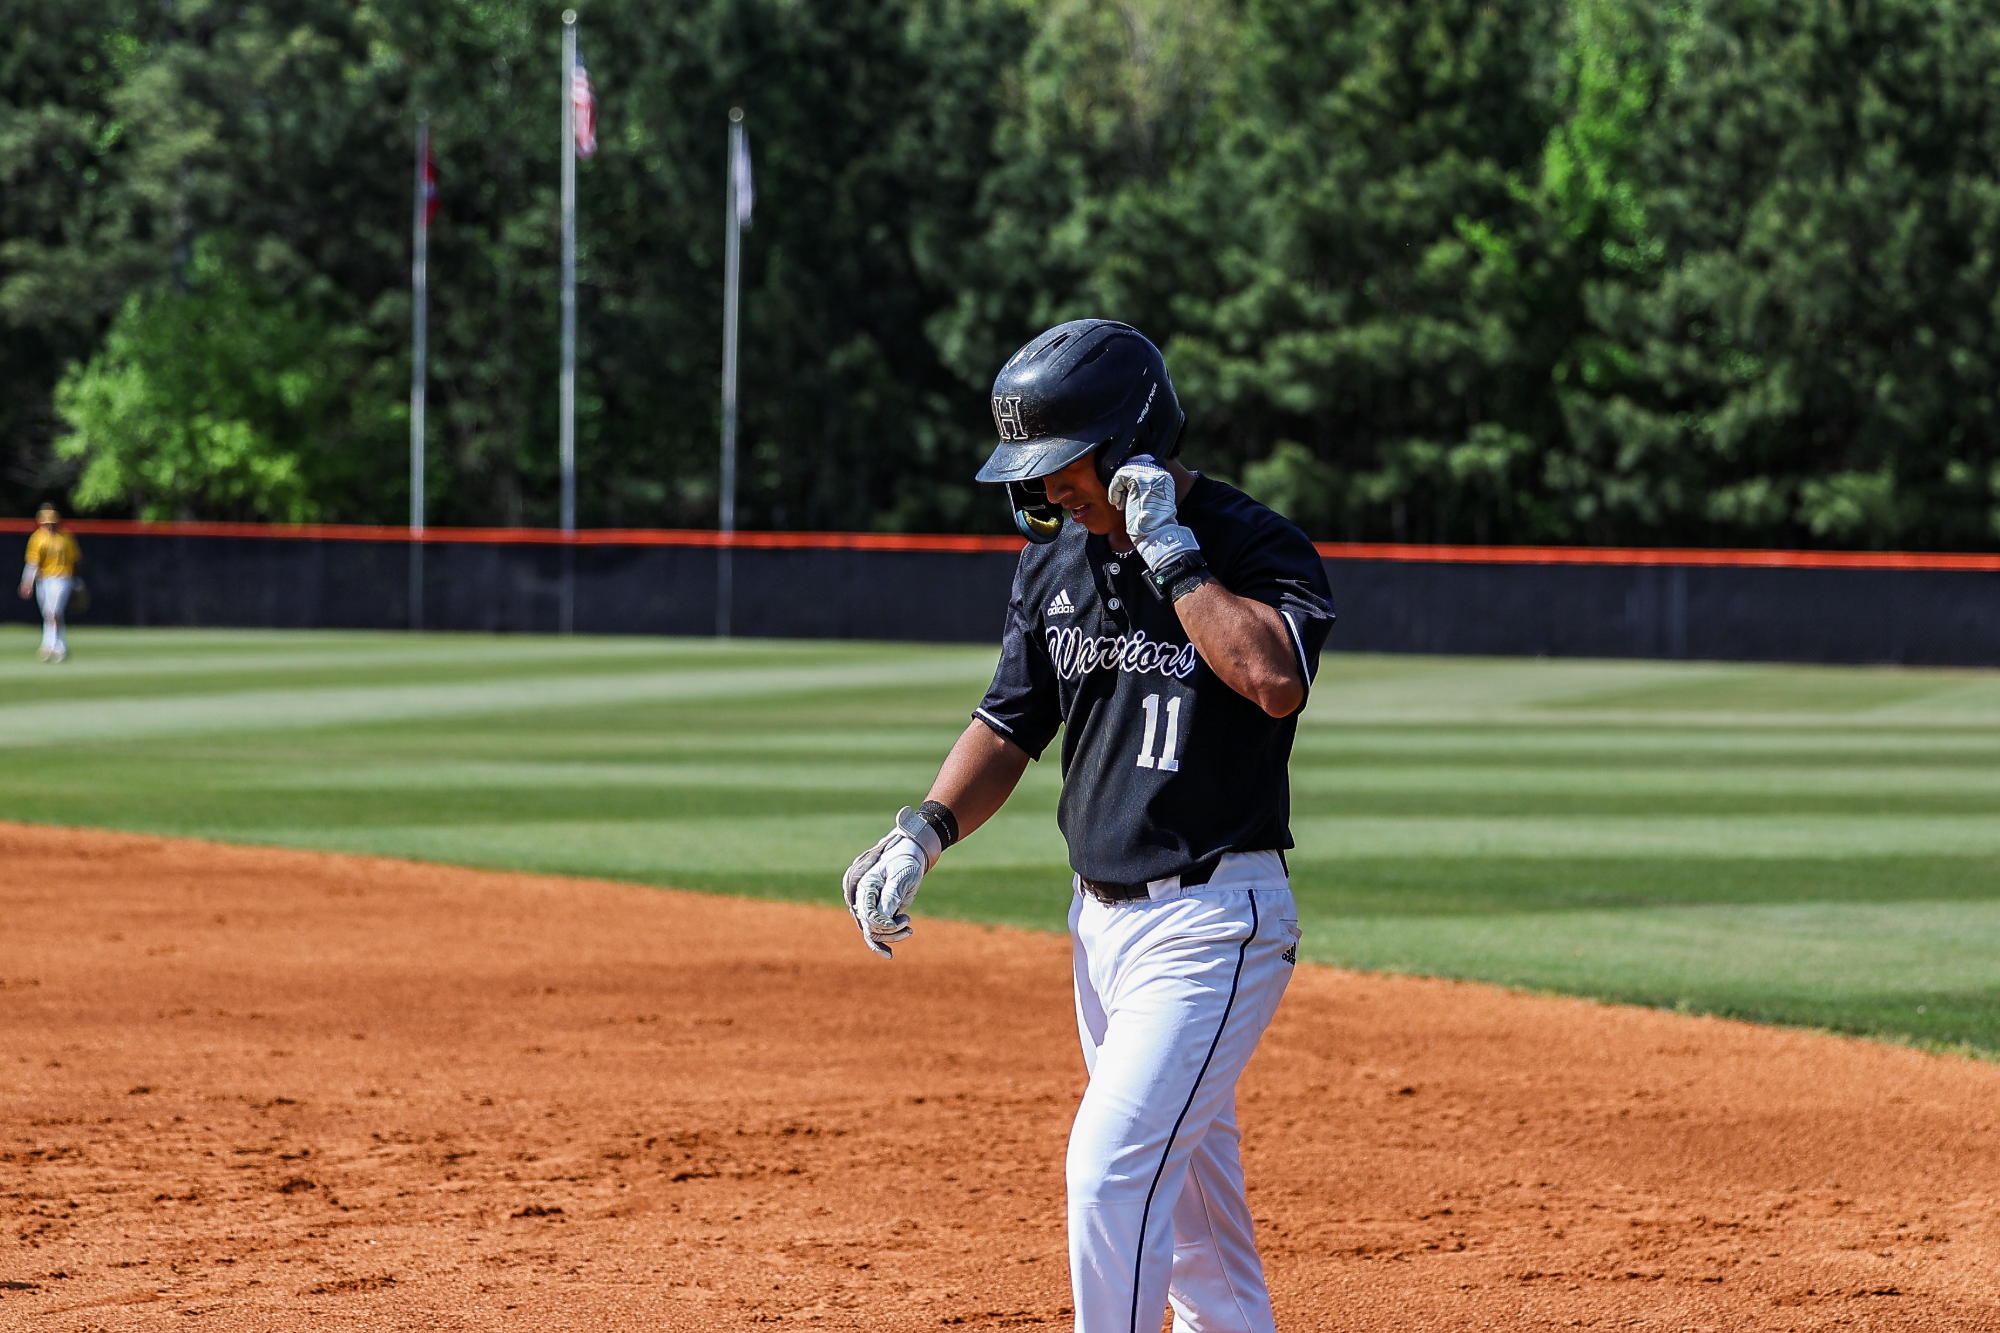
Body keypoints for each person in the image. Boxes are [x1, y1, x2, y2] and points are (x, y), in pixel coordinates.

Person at [843, 320, 1335, 1333]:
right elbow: (1008, 721)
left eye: (1063, 466)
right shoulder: (1055, 564)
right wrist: (923, 830)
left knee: (1109, 1174)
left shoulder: (1252, 542)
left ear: (1132, 441)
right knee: (1191, 1213)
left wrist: (1173, 555)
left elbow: (1272, 681)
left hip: (1212, 920)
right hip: (1097, 930)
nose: (1047, 490)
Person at [19, 505, 80, 664]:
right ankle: (51, 645)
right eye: (46, 522)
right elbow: (33, 563)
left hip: (62, 577)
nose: (49, 525)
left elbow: (75, 561)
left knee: (54, 611)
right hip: (43, 579)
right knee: (48, 612)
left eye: (51, 522)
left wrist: (76, 581)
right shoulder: (37, 538)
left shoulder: (65, 537)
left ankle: (57, 646)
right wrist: (27, 582)